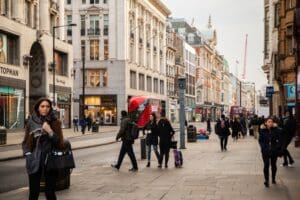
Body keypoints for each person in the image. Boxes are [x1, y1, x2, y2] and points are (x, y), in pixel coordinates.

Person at [22, 97, 64, 200]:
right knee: (33, 193)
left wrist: (49, 131)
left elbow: (59, 143)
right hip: (34, 161)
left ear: (50, 108)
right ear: (38, 108)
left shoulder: (55, 122)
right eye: (42, 106)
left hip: (50, 161)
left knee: (50, 193)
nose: (45, 109)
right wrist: (28, 155)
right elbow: (25, 142)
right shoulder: (31, 122)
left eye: (48, 106)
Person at [259, 117, 283, 187]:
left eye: (271, 122)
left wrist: (277, 147)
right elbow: (260, 140)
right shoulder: (262, 130)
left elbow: (280, 139)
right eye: (269, 122)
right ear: (265, 123)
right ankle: (266, 180)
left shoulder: (276, 130)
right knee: (266, 165)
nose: (270, 123)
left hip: (273, 151)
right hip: (265, 151)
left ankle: (273, 178)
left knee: (273, 165)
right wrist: (263, 147)